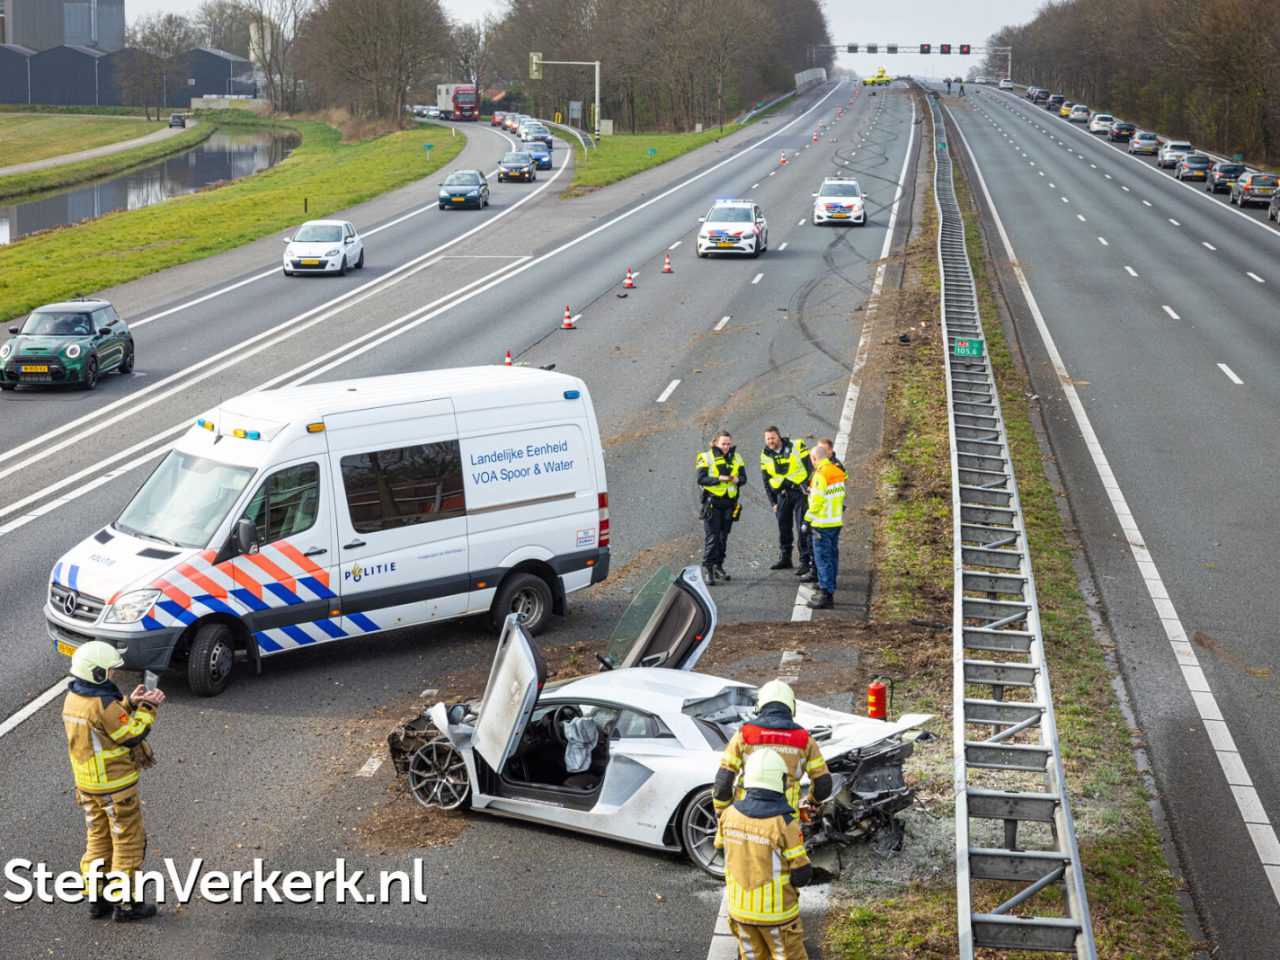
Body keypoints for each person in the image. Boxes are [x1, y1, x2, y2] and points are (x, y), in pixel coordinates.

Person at [62, 641, 165, 922]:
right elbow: (130, 734)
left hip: (87, 788)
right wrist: (146, 708)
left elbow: (104, 723)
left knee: (98, 841)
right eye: (109, 671)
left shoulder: (73, 700)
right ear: (96, 674)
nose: (113, 675)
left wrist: (127, 703)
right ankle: (127, 905)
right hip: (116, 790)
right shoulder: (103, 704)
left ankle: (98, 900)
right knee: (127, 843)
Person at [715, 749, 814, 960]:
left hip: (740, 912)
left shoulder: (728, 814)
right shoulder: (784, 822)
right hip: (778, 916)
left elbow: (719, 847)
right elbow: (801, 874)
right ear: (779, 780)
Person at [712, 680, 832, 817]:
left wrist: (722, 812)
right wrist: (812, 802)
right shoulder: (804, 740)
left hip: (744, 816)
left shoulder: (744, 735)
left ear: (759, 705)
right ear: (792, 707)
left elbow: (723, 782)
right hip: (785, 822)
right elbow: (823, 785)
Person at [759, 426, 813, 576]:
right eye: (768, 439)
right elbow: (766, 480)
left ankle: (805, 561)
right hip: (782, 496)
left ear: (779, 437)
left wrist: (807, 486)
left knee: (802, 527)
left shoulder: (797, 445)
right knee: (784, 527)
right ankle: (785, 558)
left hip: (800, 493)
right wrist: (773, 502)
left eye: (773, 438)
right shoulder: (765, 454)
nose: (771, 441)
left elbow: (810, 468)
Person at [696, 429, 745, 583]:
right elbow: (701, 479)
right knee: (713, 536)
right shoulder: (705, 457)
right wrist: (718, 479)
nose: (726, 446)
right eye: (723, 443)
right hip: (712, 503)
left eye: (728, 444)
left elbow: (744, 478)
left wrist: (738, 479)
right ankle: (708, 568)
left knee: (724, 536)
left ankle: (719, 566)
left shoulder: (737, 457)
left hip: (729, 503)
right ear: (716, 443)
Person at [804, 442, 846, 609]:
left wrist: (807, 520)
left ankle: (826, 594)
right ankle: (829, 588)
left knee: (823, 559)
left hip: (822, 523)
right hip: (835, 520)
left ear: (814, 458)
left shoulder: (820, 474)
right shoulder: (837, 471)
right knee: (833, 557)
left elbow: (817, 500)